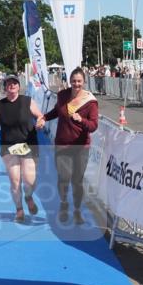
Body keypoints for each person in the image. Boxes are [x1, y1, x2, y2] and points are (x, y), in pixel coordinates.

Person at [40, 67, 99, 224]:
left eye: (79, 81)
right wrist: (44, 118)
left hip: (81, 146)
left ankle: (78, 211)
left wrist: (82, 120)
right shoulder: (62, 95)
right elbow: (57, 111)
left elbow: (94, 126)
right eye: (74, 81)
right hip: (62, 144)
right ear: (70, 81)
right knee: (63, 178)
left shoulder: (90, 102)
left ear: (84, 82)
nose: (76, 84)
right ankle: (64, 204)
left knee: (77, 181)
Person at [0, 76, 45, 223]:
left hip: (28, 144)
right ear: (5, 88)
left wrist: (40, 121)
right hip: (8, 146)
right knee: (15, 180)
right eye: (8, 84)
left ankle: (28, 196)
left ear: (18, 86)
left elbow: (40, 116)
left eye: (14, 83)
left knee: (29, 180)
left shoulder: (27, 101)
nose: (11, 86)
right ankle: (19, 209)